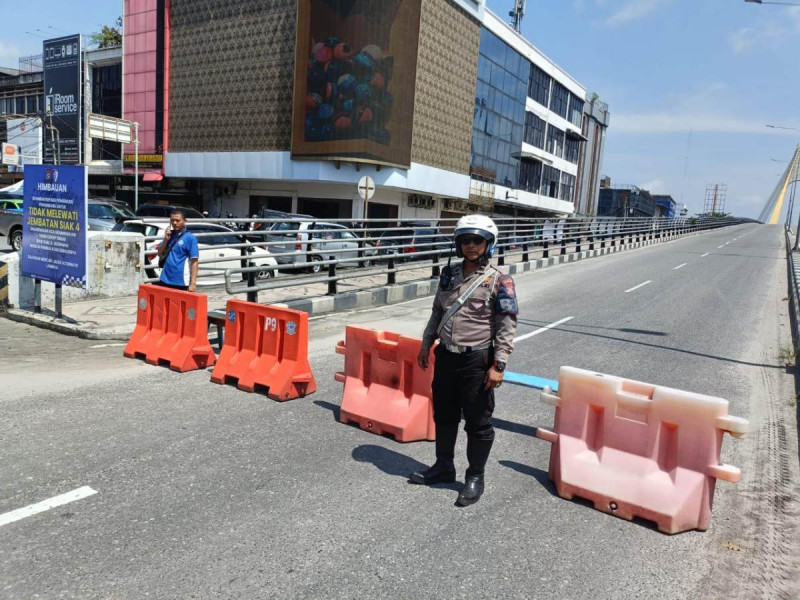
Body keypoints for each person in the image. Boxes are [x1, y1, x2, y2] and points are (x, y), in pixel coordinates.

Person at [410, 214, 518, 507]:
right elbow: (437, 311)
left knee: (478, 422)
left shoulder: (500, 280)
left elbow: (507, 325)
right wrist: (426, 344)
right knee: (444, 415)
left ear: (488, 244)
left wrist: (499, 365)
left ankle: (475, 477)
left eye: (477, 241)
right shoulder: (448, 275)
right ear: (458, 244)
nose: (471, 246)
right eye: (466, 240)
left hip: (477, 360)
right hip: (446, 356)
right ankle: (444, 466)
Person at [157, 208, 199, 292]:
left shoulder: (190, 238)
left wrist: (193, 283)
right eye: (172, 220)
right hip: (165, 278)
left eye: (178, 220)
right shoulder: (170, 235)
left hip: (180, 281)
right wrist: (166, 240)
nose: (175, 223)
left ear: (185, 221)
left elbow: (195, 261)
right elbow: (159, 253)